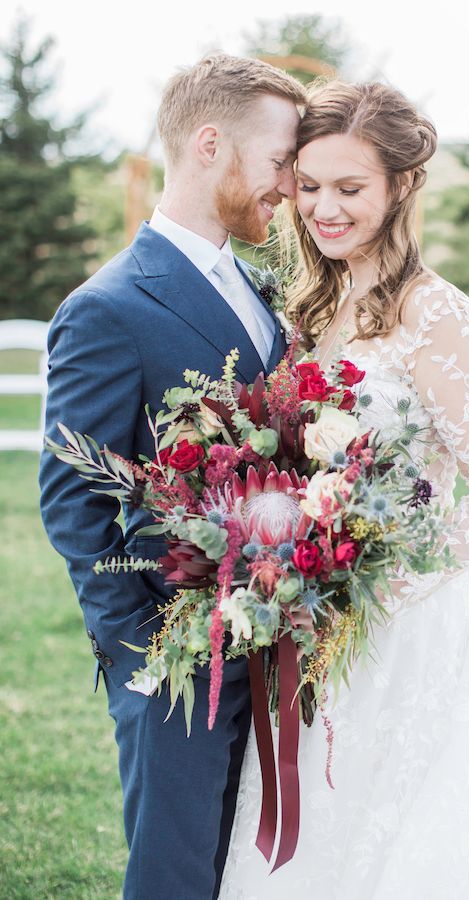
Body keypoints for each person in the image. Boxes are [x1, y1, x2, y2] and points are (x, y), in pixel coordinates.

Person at [218, 81, 469, 899]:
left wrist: (373, 588)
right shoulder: (315, 307)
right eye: (309, 186)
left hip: (416, 631)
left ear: (402, 187)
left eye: (350, 189)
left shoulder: (440, 318)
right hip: (316, 623)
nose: (322, 208)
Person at [39, 54, 306, 900]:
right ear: (209, 143)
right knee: (177, 874)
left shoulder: (258, 288)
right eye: (279, 163)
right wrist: (141, 650)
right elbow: (73, 504)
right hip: (178, 658)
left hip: (275, 639)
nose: (289, 189)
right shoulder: (107, 307)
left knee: (246, 867)